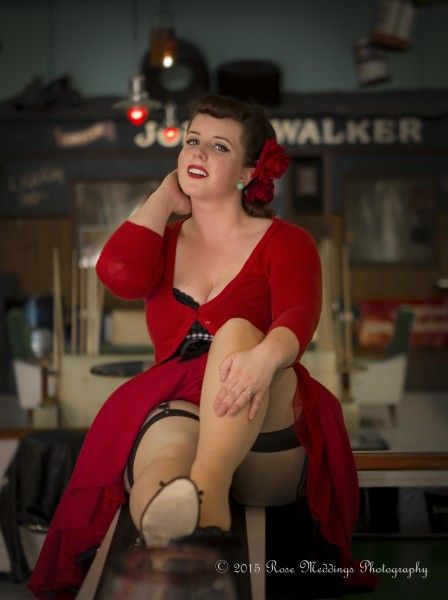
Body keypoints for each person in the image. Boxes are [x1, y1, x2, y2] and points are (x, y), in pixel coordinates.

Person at [28, 94, 377, 598]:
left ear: (247, 172)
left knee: (236, 331)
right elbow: (118, 273)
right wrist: (163, 197)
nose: (198, 152)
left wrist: (263, 358)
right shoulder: (163, 240)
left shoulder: (287, 240)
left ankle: (207, 494)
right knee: (165, 457)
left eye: (219, 146)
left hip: (263, 404)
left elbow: (298, 318)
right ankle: (165, 515)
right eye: (192, 141)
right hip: (179, 401)